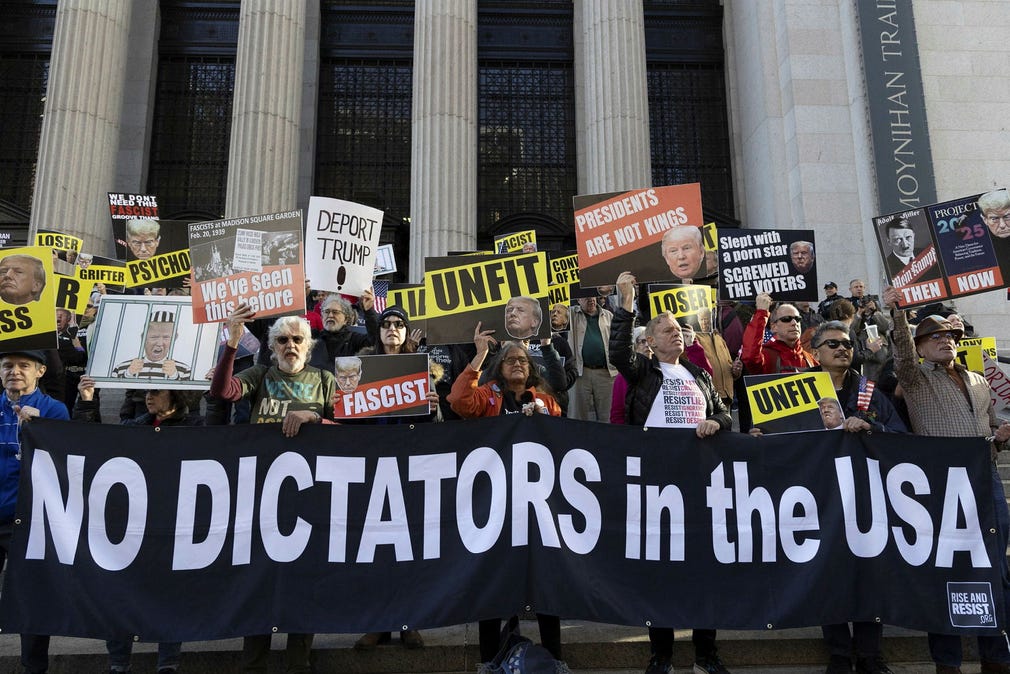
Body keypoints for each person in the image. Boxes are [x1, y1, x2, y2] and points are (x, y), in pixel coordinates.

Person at [608, 271, 731, 674]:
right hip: (656, 483)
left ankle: (705, 655)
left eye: (679, 329)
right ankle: (661, 655)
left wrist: (718, 423)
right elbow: (618, 354)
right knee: (659, 570)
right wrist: (626, 306)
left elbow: (724, 412)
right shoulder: (642, 371)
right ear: (651, 341)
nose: (676, 334)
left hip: (698, 482)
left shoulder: (699, 374)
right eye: (666, 330)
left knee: (704, 569)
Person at [883, 286, 1010, 674]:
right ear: (921, 348)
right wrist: (898, 312)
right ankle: (947, 662)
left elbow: (987, 427)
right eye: (933, 337)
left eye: (949, 336)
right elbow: (901, 352)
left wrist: (1000, 437)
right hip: (940, 484)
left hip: (984, 480)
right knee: (945, 571)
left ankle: (996, 656)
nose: (944, 341)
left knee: (994, 569)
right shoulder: (916, 378)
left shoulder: (978, 381)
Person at [210, 306, 335, 672]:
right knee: (259, 584)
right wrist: (232, 343)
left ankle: (299, 663)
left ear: (309, 347)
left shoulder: (324, 380)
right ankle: (253, 665)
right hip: (260, 498)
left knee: (303, 584)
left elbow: (347, 429)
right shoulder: (260, 374)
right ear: (271, 346)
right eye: (282, 340)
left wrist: (314, 418)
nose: (290, 345)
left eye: (298, 339)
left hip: (310, 500)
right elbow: (222, 391)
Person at [446, 326, 563, 667]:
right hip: (495, 508)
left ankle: (556, 660)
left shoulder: (545, 400)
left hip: (537, 509)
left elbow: (562, 437)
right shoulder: (489, 394)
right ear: (500, 366)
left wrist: (544, 419)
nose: (516, 365)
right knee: (493, 586)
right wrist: (480, 355)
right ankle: (489, 661)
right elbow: (457, 401)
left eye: (523, 360)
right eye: (510, 360)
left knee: (545, 586)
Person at [74, 375, 201, 674]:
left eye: (156, 390)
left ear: (178, 395)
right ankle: (119, 664)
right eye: (146, 391)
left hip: (173, 529)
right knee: (118, 592)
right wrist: (88, 400)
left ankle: (167, 663)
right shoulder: (135, 428)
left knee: (172, 595)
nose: (148, 396)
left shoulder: (197, 430)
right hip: (131, 530)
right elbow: (93, 442)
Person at [800, 320, 906, 674]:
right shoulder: (795, 391)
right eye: (831, 344)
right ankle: (839, 653)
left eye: (846, 343)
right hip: (817, 499)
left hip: (865, 498)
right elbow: (777, 439)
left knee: (868, 573)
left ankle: (870, 653)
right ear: (815, 353)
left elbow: (900, 436)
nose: (842, 348)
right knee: (826, 574)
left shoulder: (870, 391)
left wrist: (871, 427)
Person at [0, 349, 70, 674]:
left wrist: (37, 429)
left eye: (23, 366)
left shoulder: (54, 410)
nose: (15, 371)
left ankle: (34, 669)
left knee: (32, 598)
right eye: (8, 366)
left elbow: (66, 461)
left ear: (40, 371)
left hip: (30, 521)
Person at [567, 295, 617, 421]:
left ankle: (607, 440)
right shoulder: (571, 314)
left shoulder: (608, 315)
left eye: (593, 296)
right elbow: (556, 313)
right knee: (577, 416)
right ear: (578, 299)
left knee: (608, 416)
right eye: (586, 297)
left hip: (606, 373)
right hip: (580, 372)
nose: (591, 300)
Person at [741, 293, 816, 375]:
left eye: (798, 319)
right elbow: (750, 357)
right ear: (773, 327)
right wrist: (761, 313)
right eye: (787, 319)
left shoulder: (809, 358)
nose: (794, 323)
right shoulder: (766, 356)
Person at [307, 290, 379, 372]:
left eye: (335, 312)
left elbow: (375, 339)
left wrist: (369, 311)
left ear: (346, 319)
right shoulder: (312, 337)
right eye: (326, 312)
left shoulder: (354, 339)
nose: (330, 315)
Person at [112, 310, 191, 380]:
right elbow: (114, 393)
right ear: (143, 337)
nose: (159, 343)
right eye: (154, 337)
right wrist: (128, 374)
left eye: (166, 337)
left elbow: (187, 395)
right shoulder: (121, 368)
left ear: (174, 339)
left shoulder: (184, 370)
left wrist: (174, 376)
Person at [881, 218, 940, 283]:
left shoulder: (930, 254)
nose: (905, 245)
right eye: (898, 239)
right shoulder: (886, 266)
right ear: (889, 242)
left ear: (913, 236)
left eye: (908, 237)